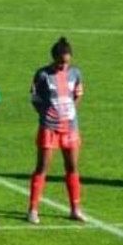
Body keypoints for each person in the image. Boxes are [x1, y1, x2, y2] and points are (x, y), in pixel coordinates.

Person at [28, 37, 85, 223]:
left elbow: (78, 94)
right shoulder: (42, 75)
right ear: (54, 58)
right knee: (43, 167)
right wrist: (46, 115)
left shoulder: (75, 73)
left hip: (70, 127)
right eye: (61, 62)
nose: (63, 65)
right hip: (49, 128)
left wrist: (71, 110)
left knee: (72, 167)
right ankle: (33, 210)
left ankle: (75, 209)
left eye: (67, 62)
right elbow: (35, 99)